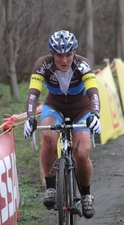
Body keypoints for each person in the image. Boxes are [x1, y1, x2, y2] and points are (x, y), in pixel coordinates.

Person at [24, 30, 101, 219]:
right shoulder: (43, 65)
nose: (64, 60)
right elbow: (33, 92)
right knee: (49, 138)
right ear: (52, 54)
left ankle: (85, 195)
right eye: (59, 55)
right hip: (54, 107)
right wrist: (30, 116)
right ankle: (51, 188)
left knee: (81, 152)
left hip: (81, 110)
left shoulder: (82, 64)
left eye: (68, 55)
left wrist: (95, 115)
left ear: (75, 52)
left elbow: (93, 92)